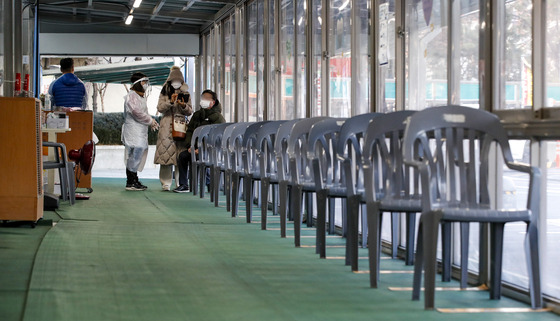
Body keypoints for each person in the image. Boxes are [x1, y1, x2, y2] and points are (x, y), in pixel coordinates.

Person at [173, 89, 225, 193]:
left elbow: (217, 137)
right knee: (183, 156)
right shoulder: (197, 115)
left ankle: (209, 182)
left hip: (209, 149)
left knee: (200, 158)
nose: (203, 101)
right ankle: (183, 184)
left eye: (206, 99)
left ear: (213, 102)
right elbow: (190, 131)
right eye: (202, 98)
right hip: (193, 148)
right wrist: (190, 146)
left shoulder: (218, 118)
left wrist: (202, 148)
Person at [154, 66, 193, 191]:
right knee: (166, 154)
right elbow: (159, 108)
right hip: (166, 124)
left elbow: (190, 111)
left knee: (179, 154)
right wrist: (170, 102)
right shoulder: (164, 92)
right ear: (170, 81)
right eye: (174, 80)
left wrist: (183, 106)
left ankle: (179, 182)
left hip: (181, 125)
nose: (176, 83)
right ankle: (165, 183)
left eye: (179, 81)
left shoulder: (186, 93)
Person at [122, 72, 159, 191]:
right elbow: (136, 112)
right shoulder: (132, 96)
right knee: (135, 154)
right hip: (134, 131)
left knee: (137, 154)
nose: (146, 84)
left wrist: (150, 121)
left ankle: (133, 179)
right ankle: (131, 181)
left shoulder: (139, 96)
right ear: (138, 83)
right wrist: (150, 120)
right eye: (144, 82)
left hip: (139, 130)